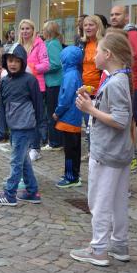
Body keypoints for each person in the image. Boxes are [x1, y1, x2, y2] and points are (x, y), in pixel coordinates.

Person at [70, 33, 134, 267]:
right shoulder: (119, 78)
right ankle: (119, 244)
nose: (93, 55)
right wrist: (94, 100)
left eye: (97, 52)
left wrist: (90, 109)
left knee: (100, 201)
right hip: (117, 151)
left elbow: (120, 120)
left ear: (108, 55)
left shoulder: (116, 82)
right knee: (117, 201)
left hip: (107, 152)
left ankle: (98, 250)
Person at [0, 42, 44, 206]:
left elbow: (39, 105)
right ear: (5, 62)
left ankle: (10, 194)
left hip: (25, 127)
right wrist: (1, 129)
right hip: (14, 127)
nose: (13, 64)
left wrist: (42, 128)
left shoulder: (30, 80)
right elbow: (1, 107)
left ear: (23, 62)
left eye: (17, 61)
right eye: (10, 60)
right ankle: (32, 191)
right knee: (23, 160)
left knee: (16, 161)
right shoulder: (4, 81)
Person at [110, 6, 137, 171]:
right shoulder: (120, 34)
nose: (113, 17)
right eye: (112, 14)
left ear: (127, 17)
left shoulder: (132, 33)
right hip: (126, 82)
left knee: (131, 121)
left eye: (117, 14)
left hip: (134, 84)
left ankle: (130, 156)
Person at [54, 46, 84, 188]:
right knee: (74, 148)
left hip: (69, 118)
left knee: (70, 150)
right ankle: (74, 174)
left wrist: (57, 112)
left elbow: (65, 98)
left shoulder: (70, 75)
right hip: (74, 117)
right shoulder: (75, 73)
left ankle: (71, 177)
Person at [42, 21, 63, 150]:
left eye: (44, 30)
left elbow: (56, 64)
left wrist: (41, 68)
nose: (42, 32)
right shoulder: (50, 43)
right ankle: (55, 140)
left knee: (52, 113)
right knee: (51, 112)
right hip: (51, 83)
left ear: (48, 31)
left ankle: (55, 142)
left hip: (54, 83)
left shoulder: (53, 44)